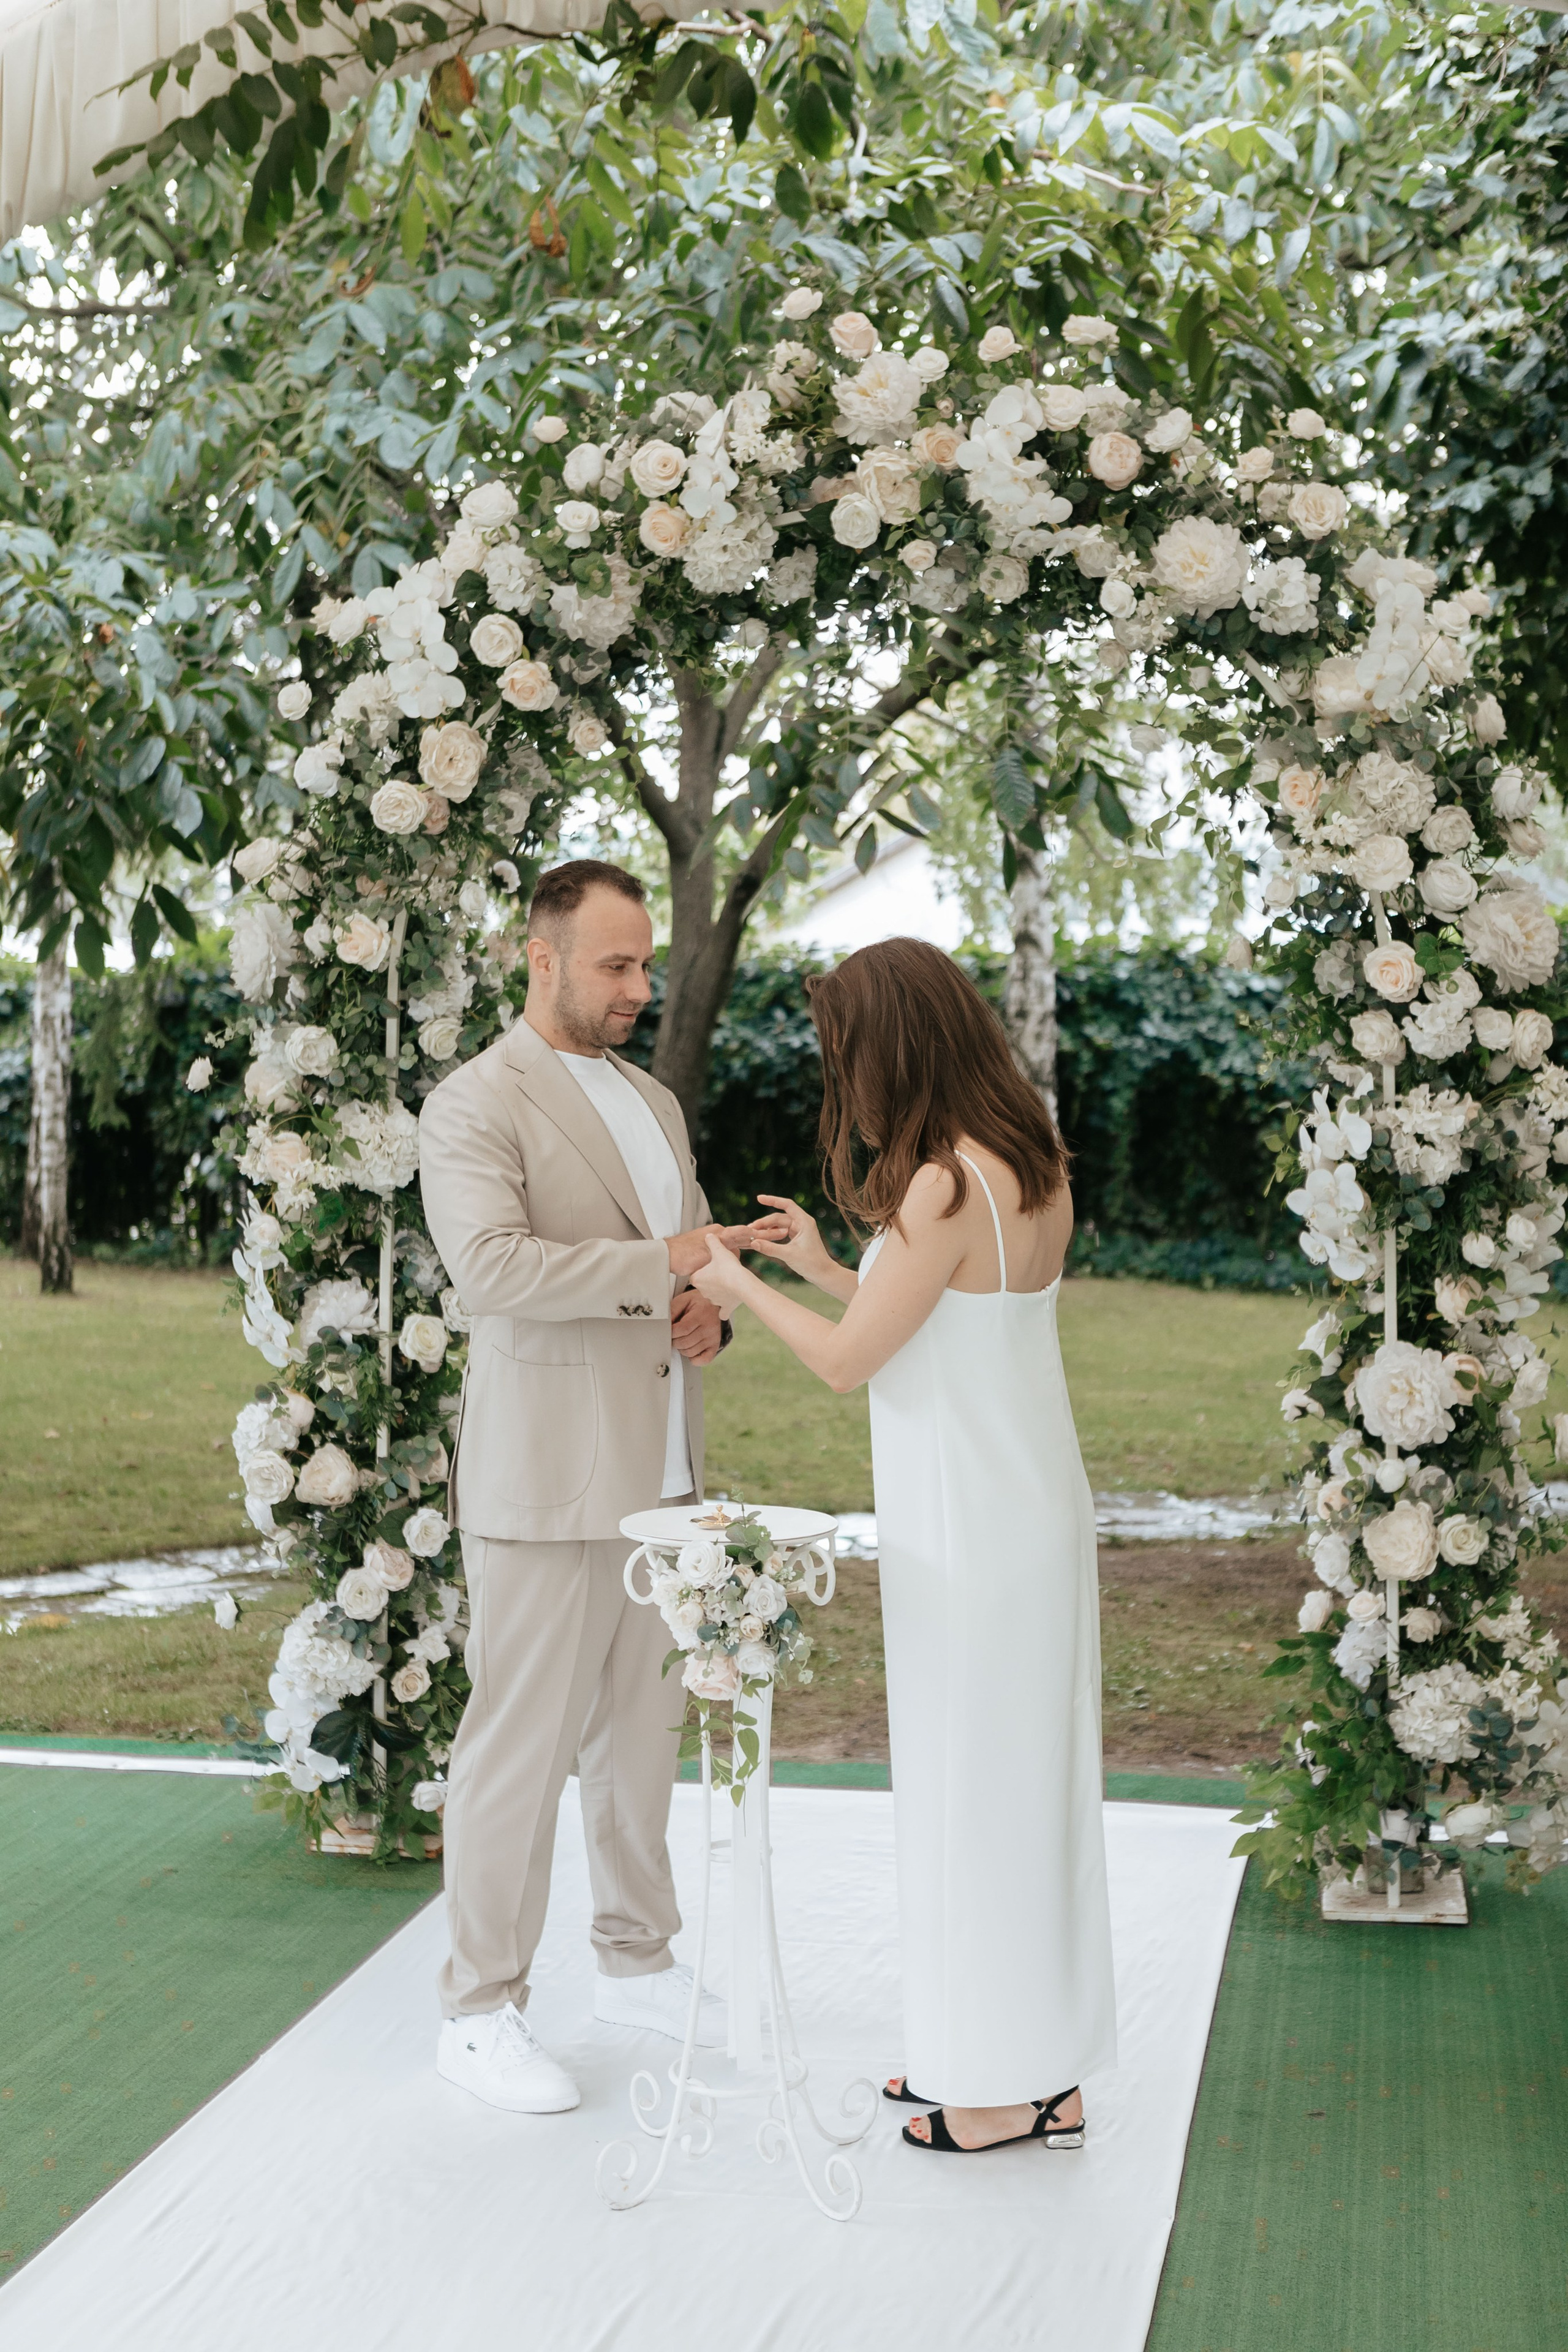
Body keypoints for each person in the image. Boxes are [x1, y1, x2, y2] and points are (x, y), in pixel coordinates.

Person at [689, 937, 1117, 2156]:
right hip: (1018, 1513)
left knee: (973, 1795)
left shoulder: (936, 1182)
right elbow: (935, 1332)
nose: (843, 1073)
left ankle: (989, 2094)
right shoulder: (1021, 1168)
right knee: (1019, 1796)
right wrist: (820, 1264)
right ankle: (1036, 2069)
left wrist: (730, 1281)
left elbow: (843, 1364)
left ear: (896, 1044)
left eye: (847, 1049)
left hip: (975, 1534)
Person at [418, 858, 751, 2116]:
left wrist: (707, 1310)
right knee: (517, 1747)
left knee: (639, 1743)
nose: (638, 986)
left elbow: (689, 1264)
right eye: (615, 964)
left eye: (644, 964)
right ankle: (477, 2008)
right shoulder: (472, 1104)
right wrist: (658, 1261)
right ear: (538, 955)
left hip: (662, 1477)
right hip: (546, 1483)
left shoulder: (653, 1104)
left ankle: (635, 1964)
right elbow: (492, 1269)